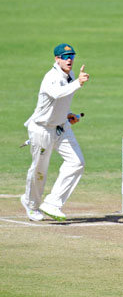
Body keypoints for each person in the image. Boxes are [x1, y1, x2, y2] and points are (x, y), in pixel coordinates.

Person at [20, 43, 90, 222]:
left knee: (77, 163)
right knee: (39, 170)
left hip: (61, 127)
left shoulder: (70, 76)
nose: (69, 59)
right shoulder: (51, 77)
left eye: (71, 56)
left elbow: (60, 102)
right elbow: (57, 94)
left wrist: (69, 114)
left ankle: (53, 202)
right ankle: (31, 204)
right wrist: (78, 84)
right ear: (56, 59)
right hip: (41, 129)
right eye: (65, 56)